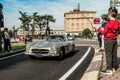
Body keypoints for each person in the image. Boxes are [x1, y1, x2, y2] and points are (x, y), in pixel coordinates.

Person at [96, 8, 120, 75]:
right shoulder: (117, 23)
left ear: (110, 14)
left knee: (108, 54)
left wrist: (98, 29)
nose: (108, 15)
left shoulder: (108, 24)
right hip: (114, 40)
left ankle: (109, 69)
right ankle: (114, 68)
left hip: (108, 41)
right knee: (114, 54)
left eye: (108, 14)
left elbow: (103, 32)